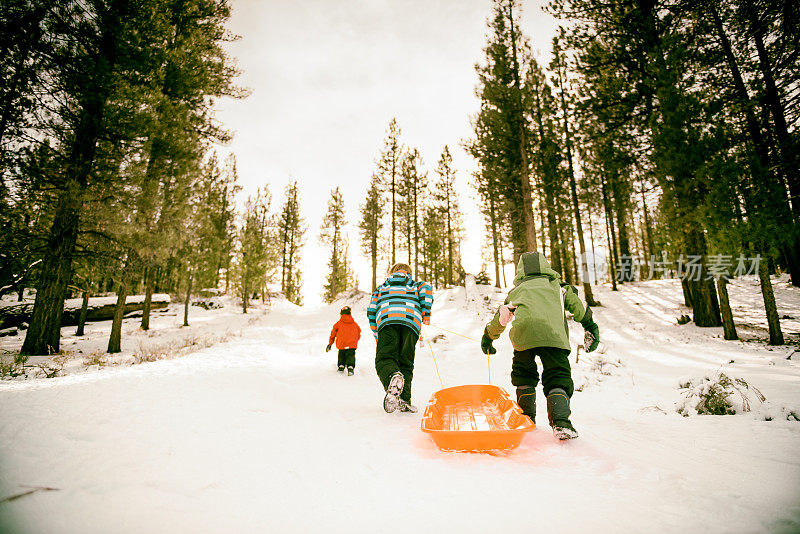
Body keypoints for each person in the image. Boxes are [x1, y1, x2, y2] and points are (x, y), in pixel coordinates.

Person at [480, 251, 600, 440]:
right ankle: (561, 422)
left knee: (523, 375)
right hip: (553, 336)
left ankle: (526, 419)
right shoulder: (558, 287)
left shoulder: (516, 291)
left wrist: (488, 337)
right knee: (557, 376)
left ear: (521, 270)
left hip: (524, 336)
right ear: (546, 266)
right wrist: (590, 326)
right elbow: (578, 306)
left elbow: (500, 318)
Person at [367, 263, 433, 414]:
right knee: (406, 363)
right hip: (411, 325)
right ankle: (404, 400)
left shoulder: (382, 288)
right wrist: (426, 312)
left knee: (384, 358)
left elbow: (371, 309)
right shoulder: (415, 285)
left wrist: (376, 332)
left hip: (388, 322)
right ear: (409, 273)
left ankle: (392, 375)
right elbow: (426, 290)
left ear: (392, 273)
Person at [326, 306, 361, 376]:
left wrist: (330, 344)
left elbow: (333, 334)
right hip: (351, 345)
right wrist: (354, 340)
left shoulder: (338, 324)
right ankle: (350, 368)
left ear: (341, 314)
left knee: (341, 354)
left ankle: (341, 366)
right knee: (351, 355)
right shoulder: (354, 324)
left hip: (341, 344)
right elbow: (359, 333)